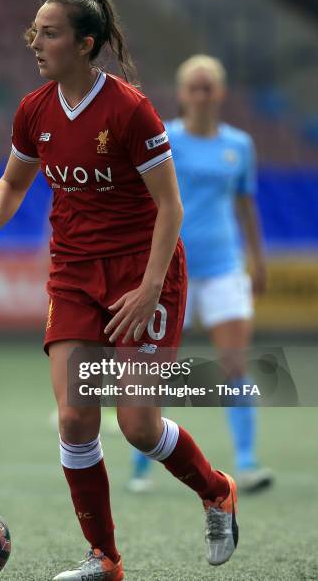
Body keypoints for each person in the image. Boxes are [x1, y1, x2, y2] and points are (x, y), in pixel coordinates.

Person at [0, 0, 238, 580]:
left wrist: (148, 288)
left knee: (138, 425)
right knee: (74, 419)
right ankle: (105, 559)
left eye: (49, 33)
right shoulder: (33, 110)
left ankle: (217, 492)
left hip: (143, 274)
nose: (35, 43)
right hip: (73, 275)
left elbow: (171, 207)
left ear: (85, 44)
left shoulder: (130, 109)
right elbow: (14, 182)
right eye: (33, 32)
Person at [129, 55, 273, 495]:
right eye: (194, 86)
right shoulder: (165, 138)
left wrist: (258, 258)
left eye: (208, 86)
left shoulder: (240, 145)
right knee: (156, 368)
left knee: (235, 363)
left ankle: (247, 462)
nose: (201, 94)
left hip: (224, 268)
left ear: (221, 93)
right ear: (182, 93)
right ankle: (141, 466)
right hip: (173, 269)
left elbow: (246, 205)